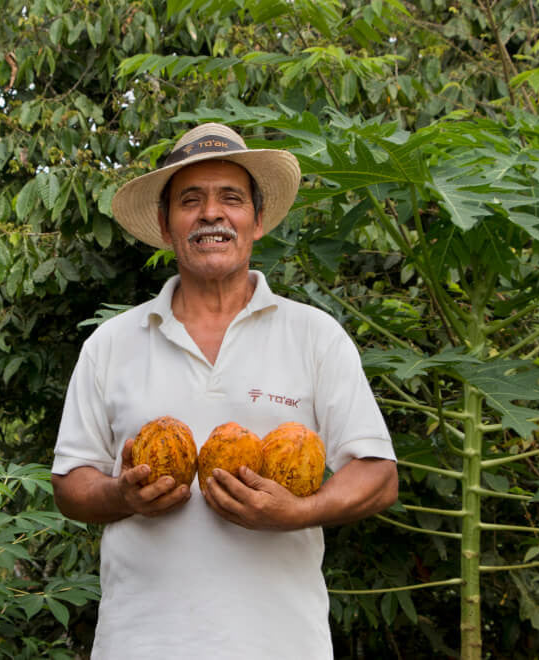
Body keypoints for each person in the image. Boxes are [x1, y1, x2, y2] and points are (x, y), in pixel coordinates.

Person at [51, 122, 398, 658]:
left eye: (230, 198)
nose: (211, 213)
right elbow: (70, 483)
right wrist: (121, 495)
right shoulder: (111, 344)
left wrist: (300, 512)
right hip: (141, 644)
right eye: (190, 200)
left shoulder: (314, 336)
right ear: (166, 226)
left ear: (257, 222)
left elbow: (378, 476)